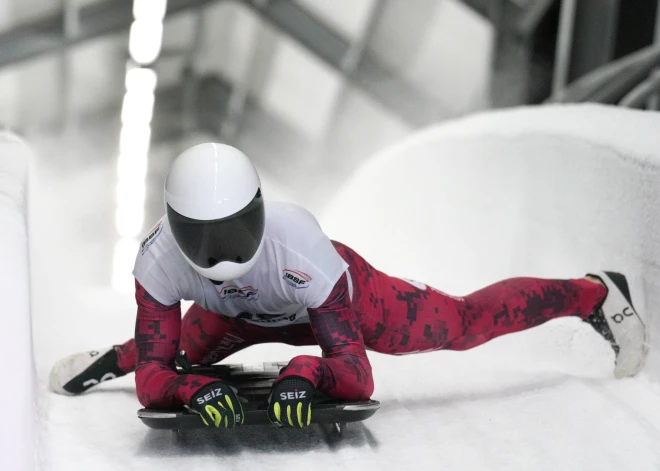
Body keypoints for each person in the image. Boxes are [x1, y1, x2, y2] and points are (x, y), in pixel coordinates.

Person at [50, 143, 646, 429]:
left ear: (258, 210)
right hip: (240, 317)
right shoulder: (156, 263)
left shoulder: (302, 249)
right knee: (170, 359)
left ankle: (594, 292)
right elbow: (157, 382)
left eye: (233, 232)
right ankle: (114, 357)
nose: (219, 254)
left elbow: (356, 375)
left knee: (460, 325)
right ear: (173, 226)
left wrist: (304, 371)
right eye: (202, 239)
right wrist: (184, 391)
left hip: (336, 299)